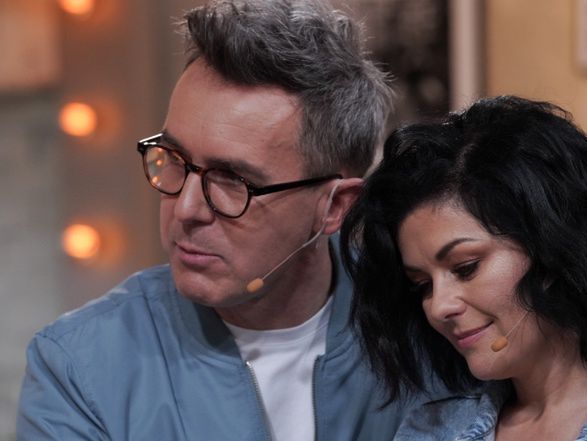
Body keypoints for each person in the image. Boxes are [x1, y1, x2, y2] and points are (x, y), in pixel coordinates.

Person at [17, 1, 424, 439]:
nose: (186, 209)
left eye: (233, 180)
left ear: (335, 206)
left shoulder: (431, 329)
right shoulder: (78, 368)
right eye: (174, 158)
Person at [340, 96, 587, 440]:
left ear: (554, 248)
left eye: (465, 268)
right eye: (422, 285)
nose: (438, 306)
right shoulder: (429, 431)